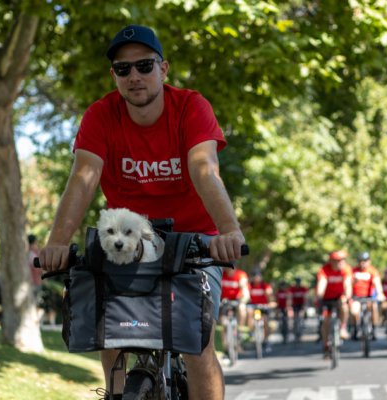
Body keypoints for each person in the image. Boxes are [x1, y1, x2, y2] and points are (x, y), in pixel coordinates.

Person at [37, 25, 245, 400]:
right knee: (110, 330)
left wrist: (229, 230)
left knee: (197, 345)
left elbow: (203, 167)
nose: (134, 76)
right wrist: (57, 242)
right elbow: (84, 176)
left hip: (195, 241)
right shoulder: (101, 115)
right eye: (123, 69)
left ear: (163, 69)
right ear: (114, 75)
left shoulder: (191, 107)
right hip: (129, 243)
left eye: (145, 66)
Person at [315, 250, 352, 360]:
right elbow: (322, 283)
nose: (341, 262)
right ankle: (326, 346)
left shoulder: (346, 268)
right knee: (326, 320)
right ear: (331, 261)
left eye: (342, 260)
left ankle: (343, 327)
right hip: (326, 298)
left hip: (340, 296)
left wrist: (347, 297)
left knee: (344, 306)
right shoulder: (324, 270)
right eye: (338, 260)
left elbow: (347, 284)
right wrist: (319, 296)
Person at [350, 252, 385, 340]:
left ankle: (373, 329)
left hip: (368, 297)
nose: (362, 263)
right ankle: (354, 328)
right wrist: (354, 281)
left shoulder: (373, 271)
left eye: (365, 261)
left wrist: (380, 293)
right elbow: (348, 284)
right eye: (361, 261)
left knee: (374, 307)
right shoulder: (353, 271)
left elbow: (377, 282)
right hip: (356, 297)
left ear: (369, 261)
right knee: (354, 311)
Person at [220, 263, 250, 352]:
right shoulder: (222, 274)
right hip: (224, 299)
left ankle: (240, 330)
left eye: (231, 268)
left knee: (241, 307)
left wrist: (245, 297)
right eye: (227, 268)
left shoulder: (241, 274)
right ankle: (225, 348)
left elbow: (244, 286)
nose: (229, 270)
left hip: (237, 298)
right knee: (223, 325)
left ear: (235, 268)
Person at [247, 271, 274, 352]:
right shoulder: (250, 286)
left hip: (263, 307)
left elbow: (269, 295)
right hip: (253, 307)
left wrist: (271, 302)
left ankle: (266, 341)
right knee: (249, 312)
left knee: (265, 322)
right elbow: (246, 294)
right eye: (255, 276)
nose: (256, 278)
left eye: (258, 276)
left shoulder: (265, 285)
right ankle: (250, 330)